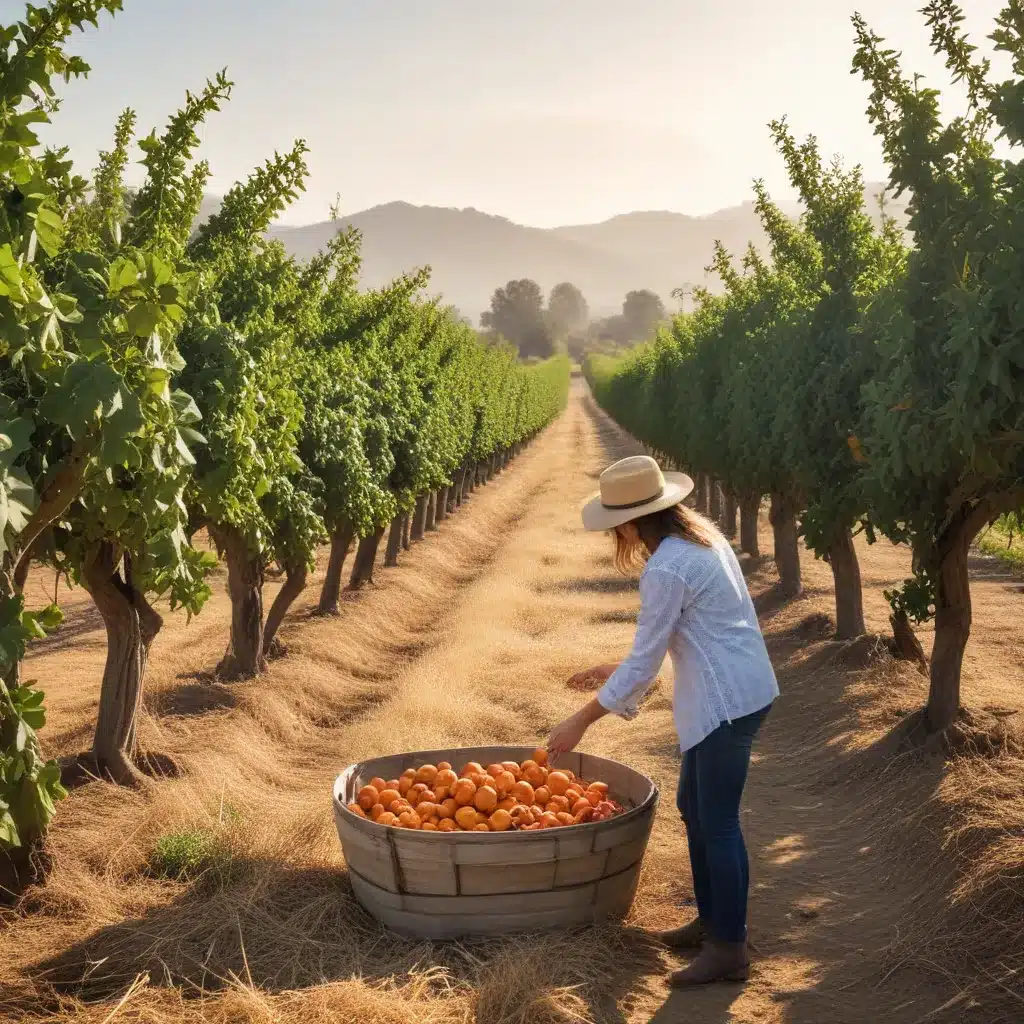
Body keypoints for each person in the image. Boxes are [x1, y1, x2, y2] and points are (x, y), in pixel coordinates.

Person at [547, 455, 778, 987]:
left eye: (615, 526)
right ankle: (713, 922)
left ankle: (730, 949)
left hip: (726, 700)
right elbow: (683, 634)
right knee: (694, 807)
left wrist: (580, 721)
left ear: (629, 522)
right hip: (738, 686)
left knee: (716, 818)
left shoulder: (668, 566)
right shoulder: (703, 537)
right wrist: (618, 670)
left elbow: (649, 659)